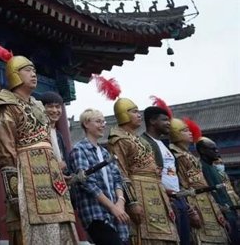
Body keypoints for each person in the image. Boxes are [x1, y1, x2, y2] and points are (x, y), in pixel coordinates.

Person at [0, 44, 78, 244]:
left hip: (53, 180)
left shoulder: (37, 106)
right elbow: (5, 151)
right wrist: (13, 194)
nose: (33, 74)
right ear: (15, 74)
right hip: (27, 182)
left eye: (34, 70)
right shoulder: (7, 105)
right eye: (27, 70)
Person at [107, 97, 179, 244]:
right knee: (145, 236)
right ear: (123, 114)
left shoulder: (142, 141)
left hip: (157, 191)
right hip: (139, 192)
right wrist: (132, 202)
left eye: (138, 112)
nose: (139, 115)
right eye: (134, 112)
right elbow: (120, 172)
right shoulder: (118, 139)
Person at [68, 108, 129, 245]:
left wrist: (120, 201)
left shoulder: (105, 153)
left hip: (116, 210)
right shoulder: (79, 149)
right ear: (86, 124)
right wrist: (112, 207)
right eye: (98, 121)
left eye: (103, 121)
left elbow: (117, 178)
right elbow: (87, 183)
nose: (103, 125)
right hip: (96, 213)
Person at [169, 118, 228, 244]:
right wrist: (191, 211)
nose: (190, 133)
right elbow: (181, 185)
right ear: (176, 133)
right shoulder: (175, 155)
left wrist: (217, 211)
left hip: (206, 201)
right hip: (193, 202)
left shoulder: (191, 156)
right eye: (185, 131)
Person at [141, 104, 192, 244]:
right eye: (164, 120)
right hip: (162, 199)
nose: (169, 123)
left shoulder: (164, 146)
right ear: (152, 121)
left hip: (178, 198)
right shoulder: (144, 143)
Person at [197, 137, 240, 244]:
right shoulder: (201, 167)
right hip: (221, 215)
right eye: (212, 149)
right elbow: (211, 193)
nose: (217, 151)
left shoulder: (214, 168)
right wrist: (221, 213)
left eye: (217, 148)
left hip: (230, 213)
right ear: (202, 151)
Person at [38, 91, 68, 172]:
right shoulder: (37, 132)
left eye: (58, 107)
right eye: (50, 106)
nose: (55, 110)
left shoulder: (59, 135)